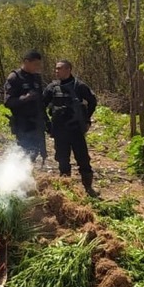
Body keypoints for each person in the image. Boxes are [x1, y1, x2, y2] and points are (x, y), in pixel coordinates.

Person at [43, 59, 98, 196]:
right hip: (59, 131)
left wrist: (86, 120)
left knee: (83, 159)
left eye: (59, 69)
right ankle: (66, 189)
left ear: (68, 70)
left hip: (76, 130)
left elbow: (92, 101)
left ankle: (88, 188)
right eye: (56, 69)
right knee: (62, 160)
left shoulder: (79, 86)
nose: (56, 71)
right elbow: (40, 106)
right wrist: (48, 125)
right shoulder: (52, 87)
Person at [4, 50, 47, 163]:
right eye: (35, 64)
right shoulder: (14, 77)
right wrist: (26, 98)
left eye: (39, 64)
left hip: (36, 122)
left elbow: (41, 101)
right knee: (26, 150)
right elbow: (8, 102)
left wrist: (46, 120)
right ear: (26, 62)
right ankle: (18, 175)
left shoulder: (36, 78)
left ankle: (27, 175)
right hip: (22, 123)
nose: (37, 67)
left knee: (35, 151)